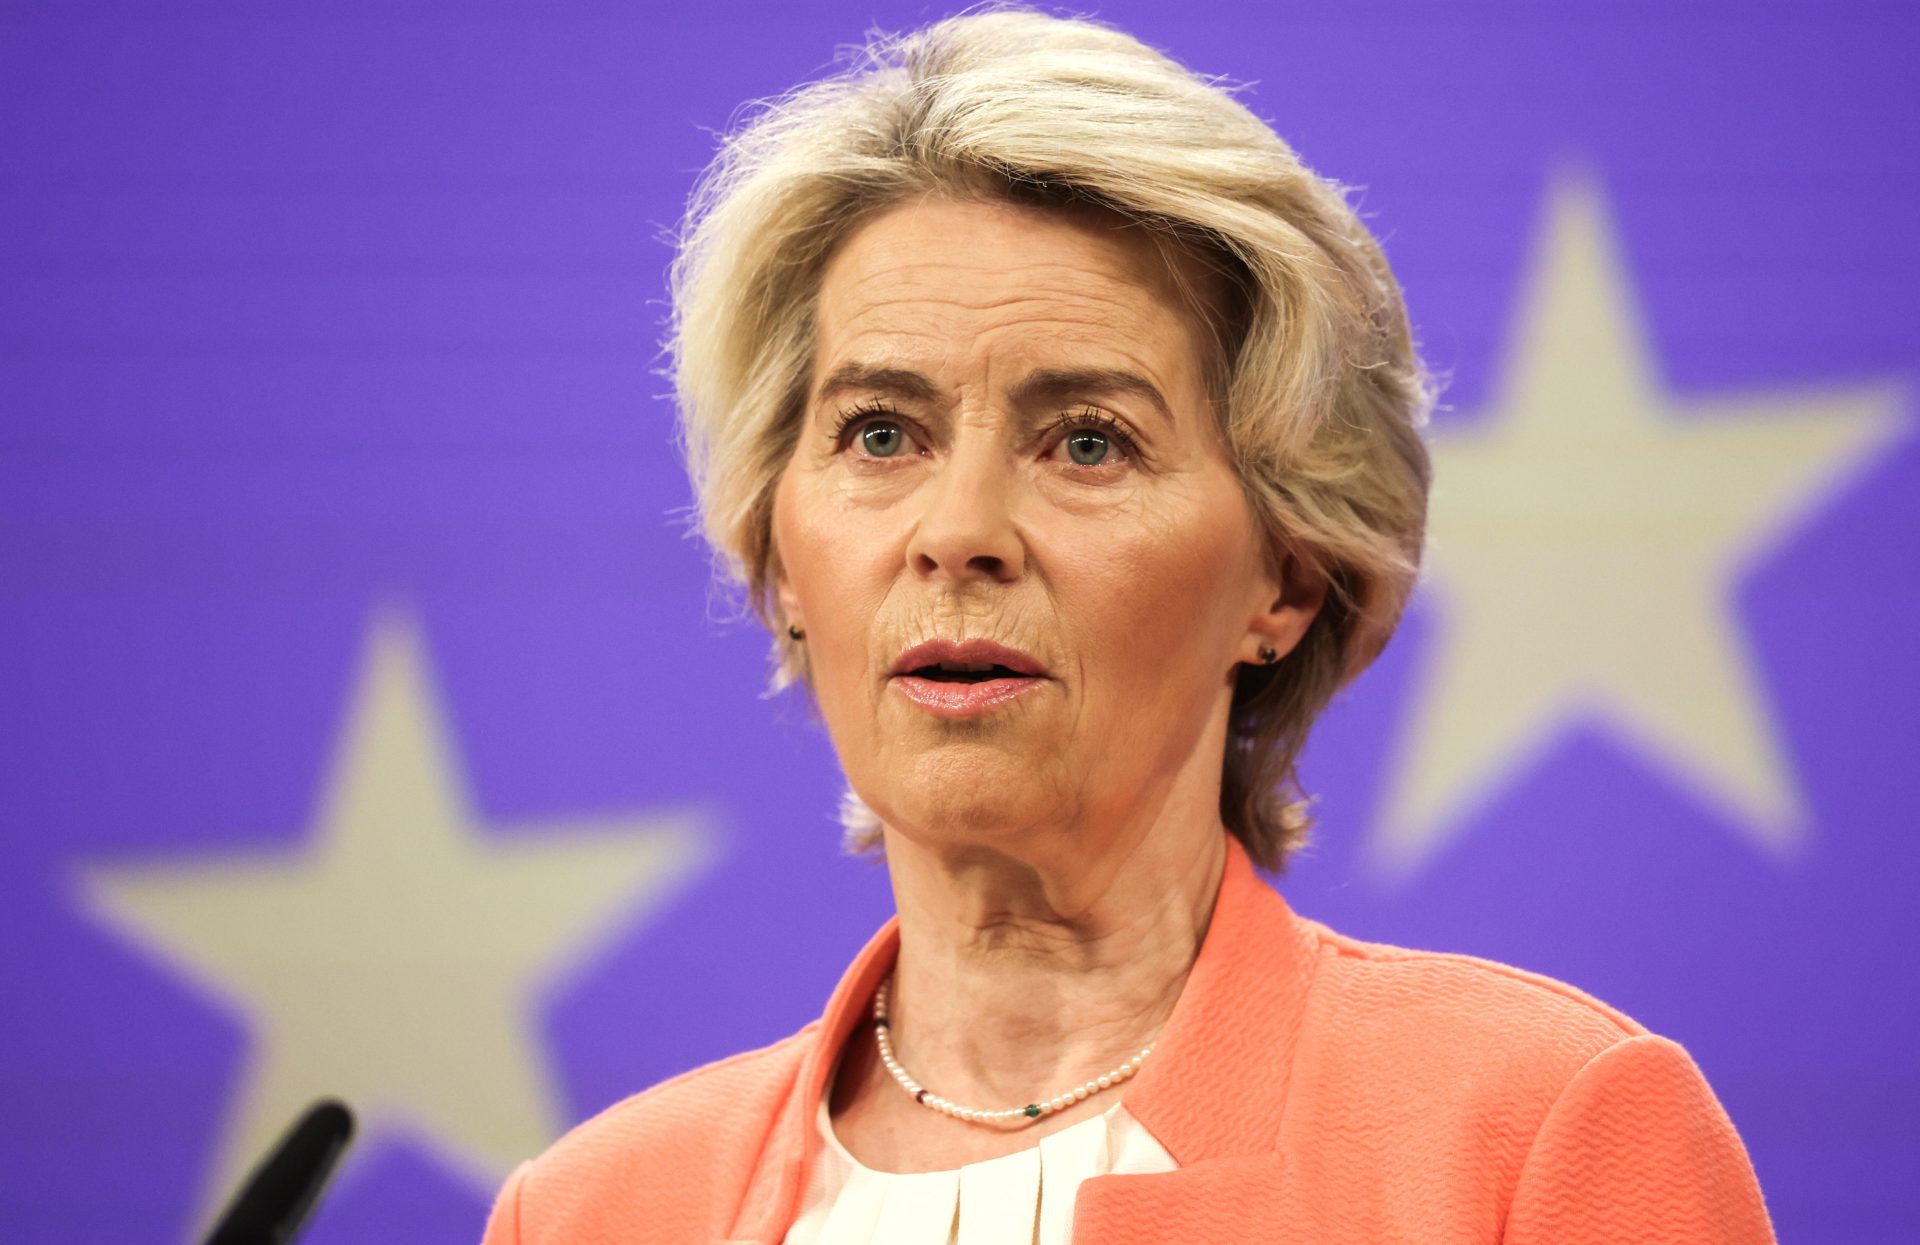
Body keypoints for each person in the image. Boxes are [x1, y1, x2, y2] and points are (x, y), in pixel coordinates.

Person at [480, 5, 1776, 1242]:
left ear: (1285, 578)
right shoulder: (589, 1213)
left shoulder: (1534, 1135)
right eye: (880, 432)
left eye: (1088, 441)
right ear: (777, 558)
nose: (957, 529)